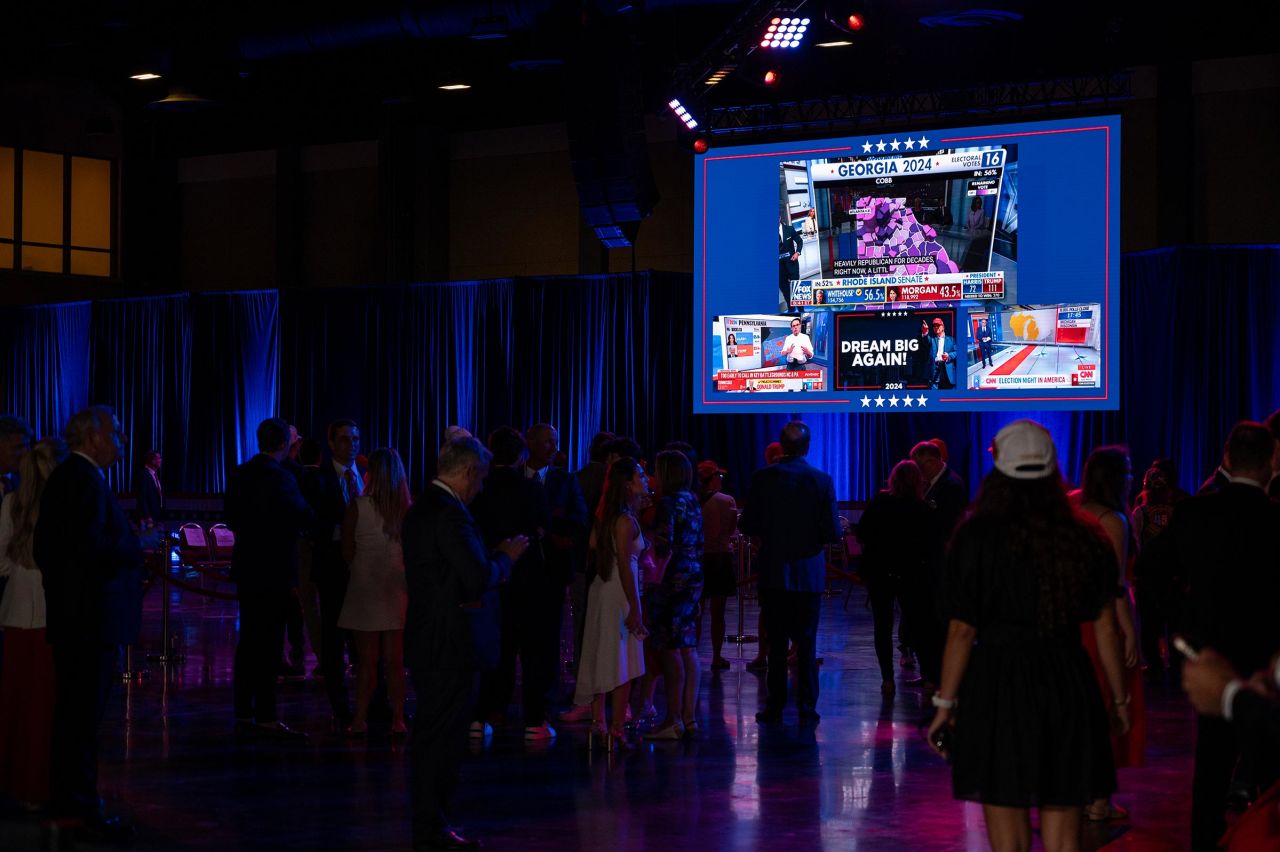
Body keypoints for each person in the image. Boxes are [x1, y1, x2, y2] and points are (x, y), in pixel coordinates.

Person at [927, 419, 1130, 852]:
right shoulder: (1084, 535)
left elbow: (962, 631)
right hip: (1067, 681)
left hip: (998, 684)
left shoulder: (975, 536)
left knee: (1008, 837)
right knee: (1064, 837)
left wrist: (944, 705)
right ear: (1052, 467)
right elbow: (1105, 625)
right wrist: (1118, 698)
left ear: (998, 466)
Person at [403, 437, 527, 852]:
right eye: (481, 479)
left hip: (430, 637)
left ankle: (432, 824)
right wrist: (506, 558)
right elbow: (475, 577)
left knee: (433, 736)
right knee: (441, 739)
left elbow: (449, 573)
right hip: (448, 642)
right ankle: (433, 827)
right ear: (469, 472)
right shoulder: (449, 514)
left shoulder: (424, 507)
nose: (482, 488)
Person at [34, 406, 149, 843]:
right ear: (92, 439)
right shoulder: (80, 480)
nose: (121, 441)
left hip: (80, 620)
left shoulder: (75, 479)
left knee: (76, 719)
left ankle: (73, 803)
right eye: (116, 433)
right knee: (80, 721)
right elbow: (85, 551)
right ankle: (77, 808)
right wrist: (136, 545)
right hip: (88, 622)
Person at [1165, 421, 1280, 851]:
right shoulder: (1274, 518)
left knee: (1211, 768)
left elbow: (1156, 572)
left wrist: (1184, 629)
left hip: (1212, 653)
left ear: (1227, 458)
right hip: (1268, 656)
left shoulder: (1195, 512)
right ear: (1270, 462)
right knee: (1270, 766)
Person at [740, 421, 841, 726]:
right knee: (807, 644)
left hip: (773, 572)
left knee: (776, 643)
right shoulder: (821, 480)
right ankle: (807, 706)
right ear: (807, 448)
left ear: (781, 446)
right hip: (808, 574)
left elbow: (747, 525)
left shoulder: (762, 478)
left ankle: (775, 705)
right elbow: (832, 532)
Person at [225, 417, 315, 740]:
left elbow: (231, 517)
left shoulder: (239, 473)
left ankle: (242, 710)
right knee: (270, 643)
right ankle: (265, 714)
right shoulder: (283, 477)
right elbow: (303, 515)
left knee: (248, 639)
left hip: (247, 567)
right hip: (275, 569)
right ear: (283, 444)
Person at [1075, 446, 1145, 822]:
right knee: (1108, 706)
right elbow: (1116, 587)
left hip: (1070, 620)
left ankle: (1079, 791)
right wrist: (1131, 631)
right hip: (1101, 622)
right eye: (1128, 471)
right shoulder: (1113, 519)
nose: (1132, 477)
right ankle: (1098, 799)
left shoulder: (1072, 507)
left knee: (1079, 708)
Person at [471, 427, 555, 740]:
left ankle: (482, 715)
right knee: (532, 648)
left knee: (494, 647)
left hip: (490, 573)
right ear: (521, 454)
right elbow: (544, 527)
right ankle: (534, 719)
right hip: (528, 576)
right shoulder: (531, 488)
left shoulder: (481, 486)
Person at [0, 438, 67, 807]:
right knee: (44, 707)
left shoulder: (13, 503)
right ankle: (38, 785)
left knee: (16, 704)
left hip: (16, 613)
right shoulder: (64, 505)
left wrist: (19, 571)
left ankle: (15, 782)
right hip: (51, 615)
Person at [572, 458, 650, 747]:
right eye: (640, 474)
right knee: (622, 660)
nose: (645, 477)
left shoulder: (605, 516)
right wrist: (636, 606)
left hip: (601, 587)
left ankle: (598, 723)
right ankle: (616, 727)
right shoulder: (625, 520)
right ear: (627, 483)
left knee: (600, 653)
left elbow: (595, 548)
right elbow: (627, 567)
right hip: (618, 590)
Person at [338, 448, 412, 737]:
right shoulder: (407, 509)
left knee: (367, 661)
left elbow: (346, 551)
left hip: (365, 587)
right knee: (395, 660)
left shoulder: (357, 506)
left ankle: (359, 718)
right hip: (397, 587)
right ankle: (398, 718)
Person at [304, 418, 364, 727]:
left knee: (366, 638)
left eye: (355, 439)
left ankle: (371, 702)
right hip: (333, 570)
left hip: (366, 572)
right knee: (334, 638)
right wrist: (342, 531)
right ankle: (340, 704)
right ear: (331, 442)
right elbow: (310, 523)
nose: (351, 445)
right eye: (344, 439)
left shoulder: (366, 476)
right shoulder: (318, 480)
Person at [855, 459, 931, 698]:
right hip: (911, 573)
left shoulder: (880, 502)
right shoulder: (921, 508)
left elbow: (863, 532)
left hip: (880, 572)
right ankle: (928, 676)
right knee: (918, 625)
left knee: (882, 626)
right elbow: (928, 544)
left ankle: (887, 678)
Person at [643, 451, 704, 740]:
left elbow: (663, 543)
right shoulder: (692, 499)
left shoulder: (668, 503)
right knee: (688, 645)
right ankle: (689, 717)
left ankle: (672, 718)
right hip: (693, 573)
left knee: (668, 646)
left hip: (671, 577)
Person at [908, 439, 968, 686]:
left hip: (939, 566)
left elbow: (945, 528)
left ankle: (940, 676)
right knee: (926, 624)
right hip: (928, 565)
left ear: (933, 462)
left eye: (921, 466)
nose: (918, 471)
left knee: (936, 623)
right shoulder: (933, 484)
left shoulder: (950, 486)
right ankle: (931, 673)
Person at [697, 460, 737, 672]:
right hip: (720, 557)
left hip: (699, 558)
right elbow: (731, 531)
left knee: (696, 611)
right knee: (718, 612)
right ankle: (716, 655)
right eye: (718, 477)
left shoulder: (692, 500)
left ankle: (692, 654)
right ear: (711, 478)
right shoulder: (726, 500)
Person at [779, 216, 803, 313]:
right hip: (779, 268)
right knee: (785, 291)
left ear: (779, 218)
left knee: (796, 288)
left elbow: (799, 241)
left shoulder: (789, 229)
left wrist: (797, 253)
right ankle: (791, 310)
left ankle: (802, 310)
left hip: (792, 264)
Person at [135, 449, 164, 528]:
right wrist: (147, 517)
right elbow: (142, 497)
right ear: (152, 461)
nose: (160, 460)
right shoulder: (144, 475)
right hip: (147, 518)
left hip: (155, 516)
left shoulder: (154, 475)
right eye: (159, 458)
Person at [927, 317, 957, 389]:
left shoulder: (951, 339)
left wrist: (949, 356)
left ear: (943, 327)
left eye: (938, 325)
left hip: (947, 369)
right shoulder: (931, 340)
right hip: (935, 369)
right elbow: (925, 340)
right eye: (934, 326)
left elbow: (957, 352)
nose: (936, 327)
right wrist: (925, 333)